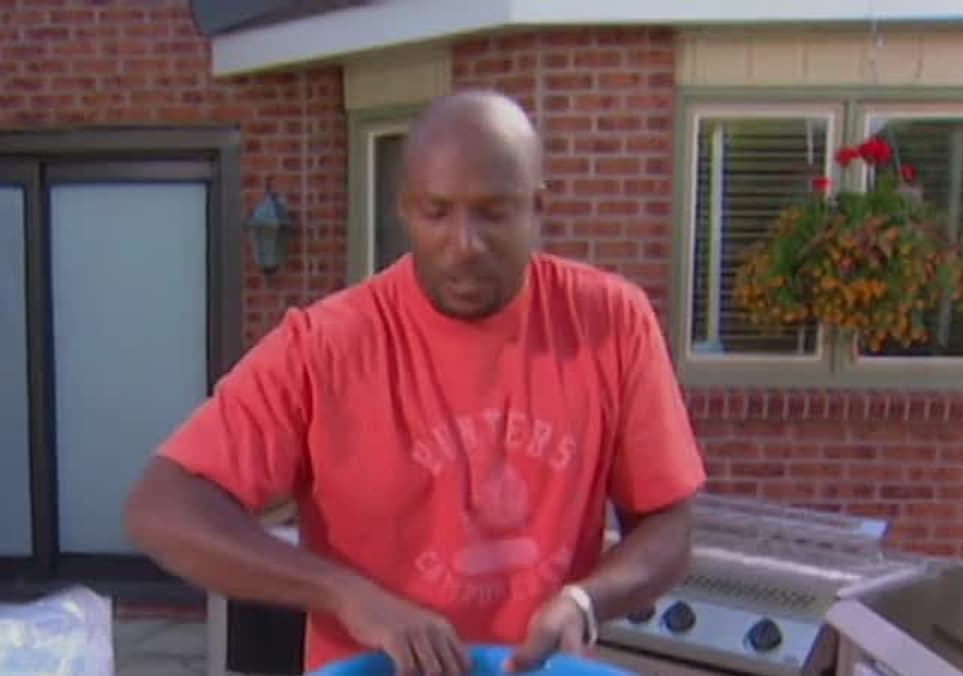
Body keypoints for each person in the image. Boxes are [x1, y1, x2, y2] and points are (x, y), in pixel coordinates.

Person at [123, 90, 705, 676]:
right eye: (437, 212)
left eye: (493, 213)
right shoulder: (325, 346)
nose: (465, 243)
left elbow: (668, 527)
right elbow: (163, 506)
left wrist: (585, 600)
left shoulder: (611, 322)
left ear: (536, 208)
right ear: (404, 209)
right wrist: (347, 595)